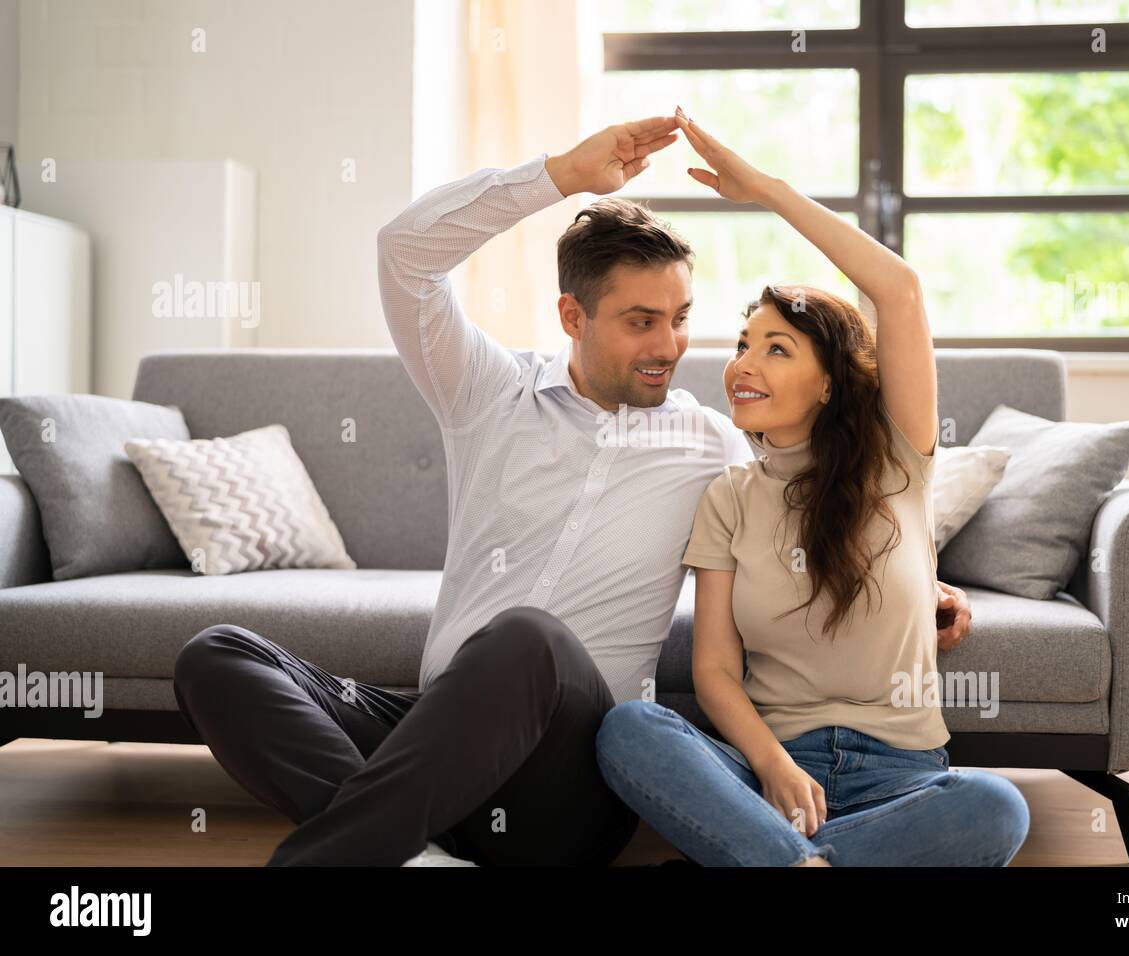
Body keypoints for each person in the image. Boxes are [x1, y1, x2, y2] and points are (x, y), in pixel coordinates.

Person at [171, 114, 974, 867]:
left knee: (529, 637)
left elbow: (819, 502)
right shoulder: (487, 393)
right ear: (570, 314)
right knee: (218, 657)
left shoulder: (713, 445)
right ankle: (409, 853)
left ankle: (337, 855)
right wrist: (557, 176)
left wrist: (918, 581)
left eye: (681, 317)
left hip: (568, 778)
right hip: (438, 731)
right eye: (639, 321)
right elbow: (404, 252)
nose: (669, 346)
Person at [595, 108, 1029, 866]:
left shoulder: (897, 463)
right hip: (771, 772)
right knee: (630, 730)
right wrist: (771, 765)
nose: (743, 363)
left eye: (776, 347)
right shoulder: (729, 495)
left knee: (995, 807)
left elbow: (898, 288)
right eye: (740, 345)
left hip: (903, 776)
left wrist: (766, 191)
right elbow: (715, 671)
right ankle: (798, 857)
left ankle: (787, 860)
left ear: (828, 383)